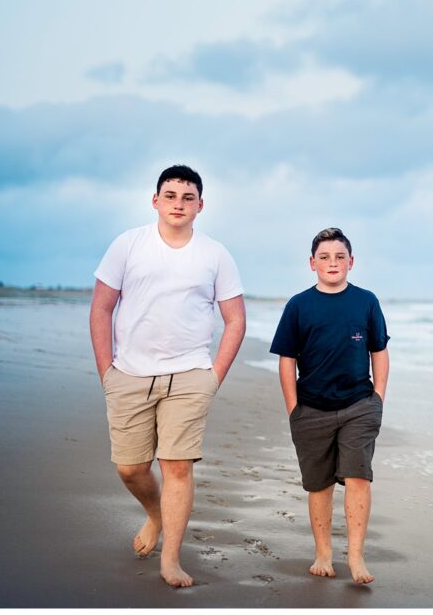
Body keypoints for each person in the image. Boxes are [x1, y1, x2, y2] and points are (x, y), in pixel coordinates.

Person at [89, 164, 246, 588]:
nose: (179, 204)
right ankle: (155, 515)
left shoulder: (215, 254)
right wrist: (107, 371)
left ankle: (171, 559)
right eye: (171, 195)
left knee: (176, 466)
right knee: (130, 468)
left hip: (191, 373)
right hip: (129, 374)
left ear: (201, 205)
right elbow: (102, 308)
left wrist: (213, 376)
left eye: (188, 197)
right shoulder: (128, 245)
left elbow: (234, 320)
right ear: (155, 200)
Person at [270, 227, 390, 585]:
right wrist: (293, 408)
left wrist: (378, 398)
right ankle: (323, 553)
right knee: (318, 485)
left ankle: (356, 557)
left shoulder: (366, 301)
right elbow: (286, 359)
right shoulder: (298, 305)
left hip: (359, 405)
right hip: (311, 409)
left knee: (358, 477)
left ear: (351, 262)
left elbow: (379, 351)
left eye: (340, 257)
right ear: (312, 263)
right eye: (324, 257)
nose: (332, 263)